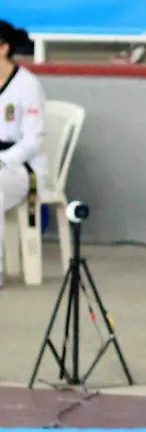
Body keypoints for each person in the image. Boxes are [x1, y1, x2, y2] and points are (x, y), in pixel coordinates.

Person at [0, 20, 46, 289]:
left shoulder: (27, 85)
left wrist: (4, 159)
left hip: (20, 168)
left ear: (4, 48)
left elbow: (33, 140)